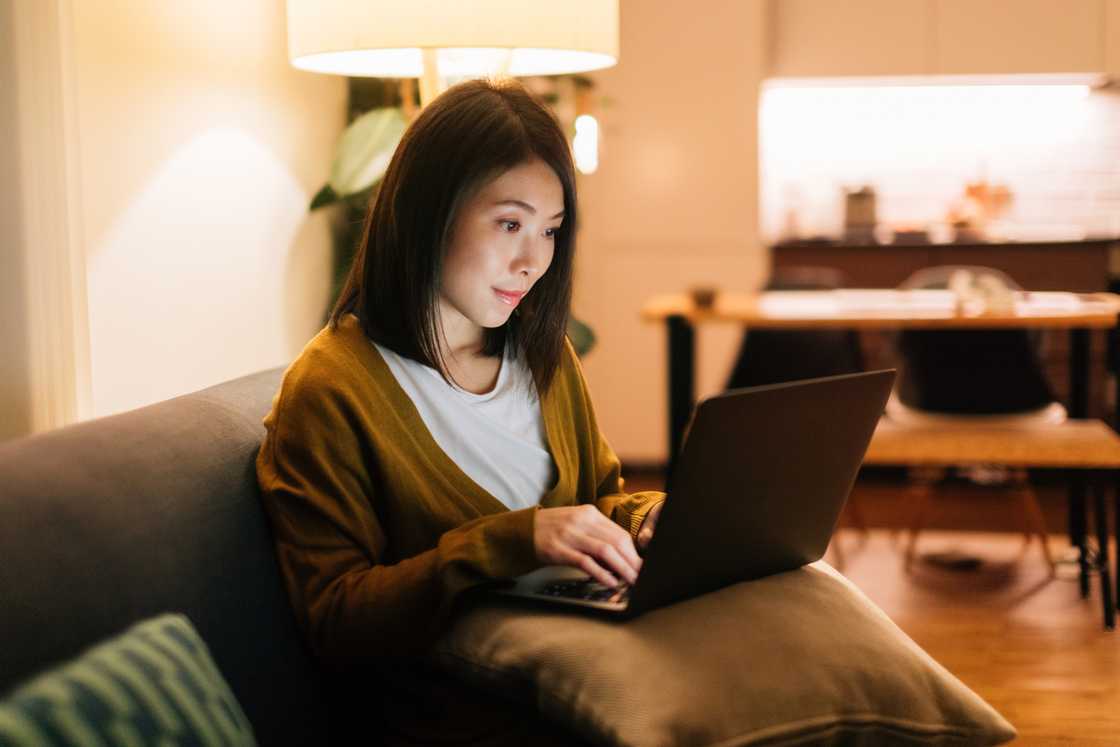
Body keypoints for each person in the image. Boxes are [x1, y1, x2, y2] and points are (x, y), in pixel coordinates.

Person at [255, 77, 665, 745]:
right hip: (471, 713)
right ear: (430, 211)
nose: (532, 260)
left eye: (550, 231)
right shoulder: (332, 389)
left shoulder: (543, 356)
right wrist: (513, 539)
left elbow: (596, 502)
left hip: (594, 664)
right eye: (509, 223)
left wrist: (647, 518)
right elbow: (334, 619)